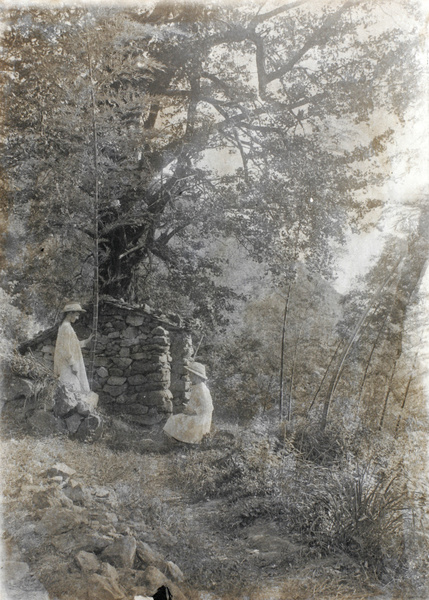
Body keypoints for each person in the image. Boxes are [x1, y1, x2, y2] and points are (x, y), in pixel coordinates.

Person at [53, 302, 98, 408]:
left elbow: (73, 345)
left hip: (68, 362)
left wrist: (86, 341)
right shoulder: (66, 327)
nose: (77, 318)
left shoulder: (66, 327)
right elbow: (65, 349)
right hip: (67, 364)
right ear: (70, 314)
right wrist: (72, 364)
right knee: (71, 388)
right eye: (76, 315)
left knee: (73, 390)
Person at [163, 361, 213, 444]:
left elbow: (204, 407)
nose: (189, 376)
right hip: (200, 418)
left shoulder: (200, 389)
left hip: (200, 420)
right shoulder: (199, 387)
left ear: (197, 376)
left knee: (174, 419)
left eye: (192, 374)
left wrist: (190, 411)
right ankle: (178, 441)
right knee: (177, 419)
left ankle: (178, 442)